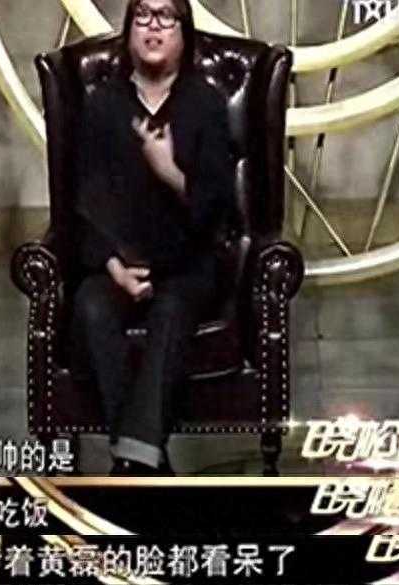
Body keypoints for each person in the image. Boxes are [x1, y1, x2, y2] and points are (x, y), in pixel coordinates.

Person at [72, 0, 235, 475]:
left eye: (166, 16)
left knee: (171, 309)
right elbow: (83, 202)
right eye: (143, 15)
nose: (153, 27)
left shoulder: (205, 103)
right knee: (92, 306)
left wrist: (170, 173)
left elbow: (219, 205)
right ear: (128, 31)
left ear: (184, 32)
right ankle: (145, 457)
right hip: (120, 265)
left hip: (187, 267)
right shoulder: (102, 105)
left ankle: (132, 462)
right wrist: (113, 267)